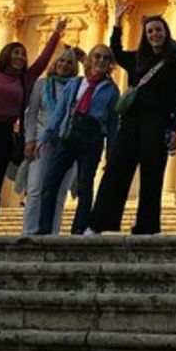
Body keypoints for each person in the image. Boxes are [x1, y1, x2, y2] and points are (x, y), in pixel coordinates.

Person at [0, 17, 66, 235]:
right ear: (6, 55)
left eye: (23, 53)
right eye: (16, 52)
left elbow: (44, 60)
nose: (20, 56)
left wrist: (56, 34)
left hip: (5, 132)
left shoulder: (27, 79)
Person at [88, 1, 176, 235]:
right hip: (132, 120)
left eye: (158, 30)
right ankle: (100, 222)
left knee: (152, 174)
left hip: (158, 120)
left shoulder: (175, 62)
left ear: (166, 33)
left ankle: (147, 226)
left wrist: (174, 128)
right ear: (146, 35)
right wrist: (118, 23)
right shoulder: (136, 58)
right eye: (150, 31)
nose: (154, 34)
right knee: (116, 168)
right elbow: (116, 52)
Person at [34, 44, 120, 235]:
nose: (101, 61)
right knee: (50, 182)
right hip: (70, 133)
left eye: (106, 58)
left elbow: (113, 123)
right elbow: (60, 112)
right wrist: (45, 136)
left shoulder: (112, 90)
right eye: (97, 56)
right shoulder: (75, 83)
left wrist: (111, 153)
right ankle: (44, 228)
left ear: (110, 65)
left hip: (93, 137)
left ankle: (79, 228)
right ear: (89, 59)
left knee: (85, 186)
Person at [19, 46, 82, 236]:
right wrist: (30, 140)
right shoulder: (42, 84)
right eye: (61, 61)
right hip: (41, 140)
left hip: (67, 142)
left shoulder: (78, 86)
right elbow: (31, 115)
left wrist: (85, 57)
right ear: (55, 63)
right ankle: (29, 231)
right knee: (35, 188)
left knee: (60, 192)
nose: (64, 65)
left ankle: (52, 232)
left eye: (69, 62)